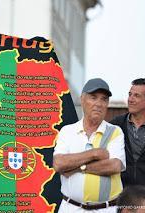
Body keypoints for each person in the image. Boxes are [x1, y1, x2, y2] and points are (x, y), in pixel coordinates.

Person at [53, 78, 126, 212]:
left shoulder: (115, 131)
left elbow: (114, 165)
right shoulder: (67, 131)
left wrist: (77, 168)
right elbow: (59, 163)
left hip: (106, 209)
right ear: (82, 99)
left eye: (104, 99)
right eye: (93, 97)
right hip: (71, 208)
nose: (99, 103)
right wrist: (94, 153)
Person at [110, 78, 145, 200]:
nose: (130, 99)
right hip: (119, 199)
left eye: (136, 96)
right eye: (130, 94)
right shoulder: (115, 125)